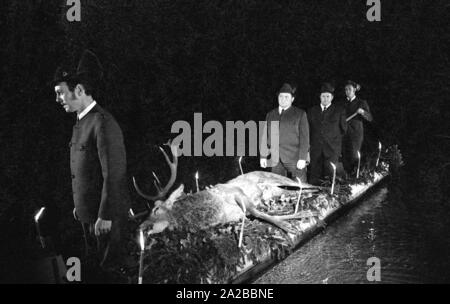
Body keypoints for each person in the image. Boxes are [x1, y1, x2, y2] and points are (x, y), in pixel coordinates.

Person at [52, 50, 130, 278]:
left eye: (60, 93)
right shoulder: (81, 121)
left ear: (78, 90)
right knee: (96, 268)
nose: (58, 99)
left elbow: (114, 173)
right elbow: (84, 171)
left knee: (109, 271)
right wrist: (81, 205)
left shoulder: (103, 123)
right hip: (89, 214)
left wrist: (105, 214)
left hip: (105, 218)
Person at [260, 83, 310, 183]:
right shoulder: (270, 114)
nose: (283, 99)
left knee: (300, 188)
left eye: (286, 97)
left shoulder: (300, 114)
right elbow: (264, 137)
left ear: (292, 99)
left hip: (294, 158)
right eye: (281, 96)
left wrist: (302, 158)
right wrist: (263, 156)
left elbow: (305, 138)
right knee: (277, 188)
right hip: (275, 159)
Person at [307, 83, 347, 185]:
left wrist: (334, 142)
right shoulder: (312, 111)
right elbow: (308, 130)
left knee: (330, 176)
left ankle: (330, 198)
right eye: (323, 96)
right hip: (315, 149)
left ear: (332, 97)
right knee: (314, 175)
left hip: (332, 149)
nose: (325, 99)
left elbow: (343, 130)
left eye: (328, 96)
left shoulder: (339, 111)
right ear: (320, 97)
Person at [342, 80, 373, 174]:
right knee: (344, 156)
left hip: (355, 134)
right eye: (346, 89)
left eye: (350, 89)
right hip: (343, 133)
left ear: (354, 90)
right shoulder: (342, 104)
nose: (347, 91)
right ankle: (346, 178)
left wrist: (363, 112)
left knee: (353, 156)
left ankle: (354, 178)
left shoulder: (361, 103)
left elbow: (370, 118)